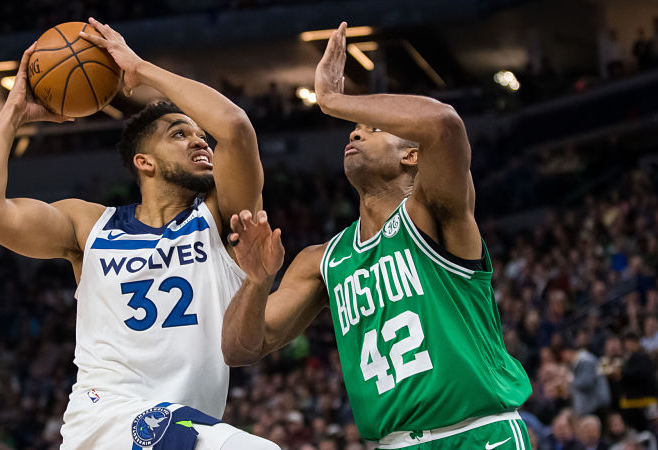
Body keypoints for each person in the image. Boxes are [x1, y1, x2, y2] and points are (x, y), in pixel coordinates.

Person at [0, 17, 278, 450]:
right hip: (108, 416)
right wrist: (15, 108)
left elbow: (236, 128)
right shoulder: (89, 224)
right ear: (144, 162)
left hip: (180, 429)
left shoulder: (219, 220)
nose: (200, 141)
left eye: (201, 135)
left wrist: (142, 69)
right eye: (180, 134)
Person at [221, 22, 532, 449]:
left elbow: (443, 123)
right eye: (355, 128)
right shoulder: (321, 260)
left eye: (372, 129)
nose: (354, 130)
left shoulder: (434, 214)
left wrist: (334, 100)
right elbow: (241, 349)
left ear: (412, 153)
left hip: (476, 433)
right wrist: (256, 284)